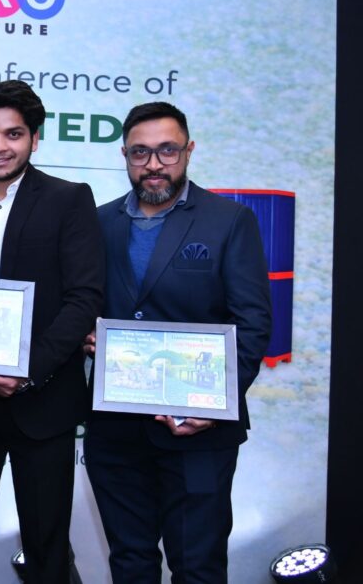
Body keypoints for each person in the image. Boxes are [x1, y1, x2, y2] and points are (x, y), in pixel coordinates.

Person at [84, 101, 271, 583]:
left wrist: (216, 404)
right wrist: (83, 333)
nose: (154, 164)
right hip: (116, 429)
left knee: (198, 566)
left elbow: (252, 321)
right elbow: (82, 304)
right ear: (124, 155)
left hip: (200, 431)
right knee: (129, 561)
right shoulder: (98, 223)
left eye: (167, 151)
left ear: (188, 151)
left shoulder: (229, 220)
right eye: (140, 152)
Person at [0, 80, 103, 583]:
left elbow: (84, 298)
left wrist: (27, 372)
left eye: (12, 134)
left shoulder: (69, 200)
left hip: (44, 401)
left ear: (34, 138)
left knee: (46, 543)